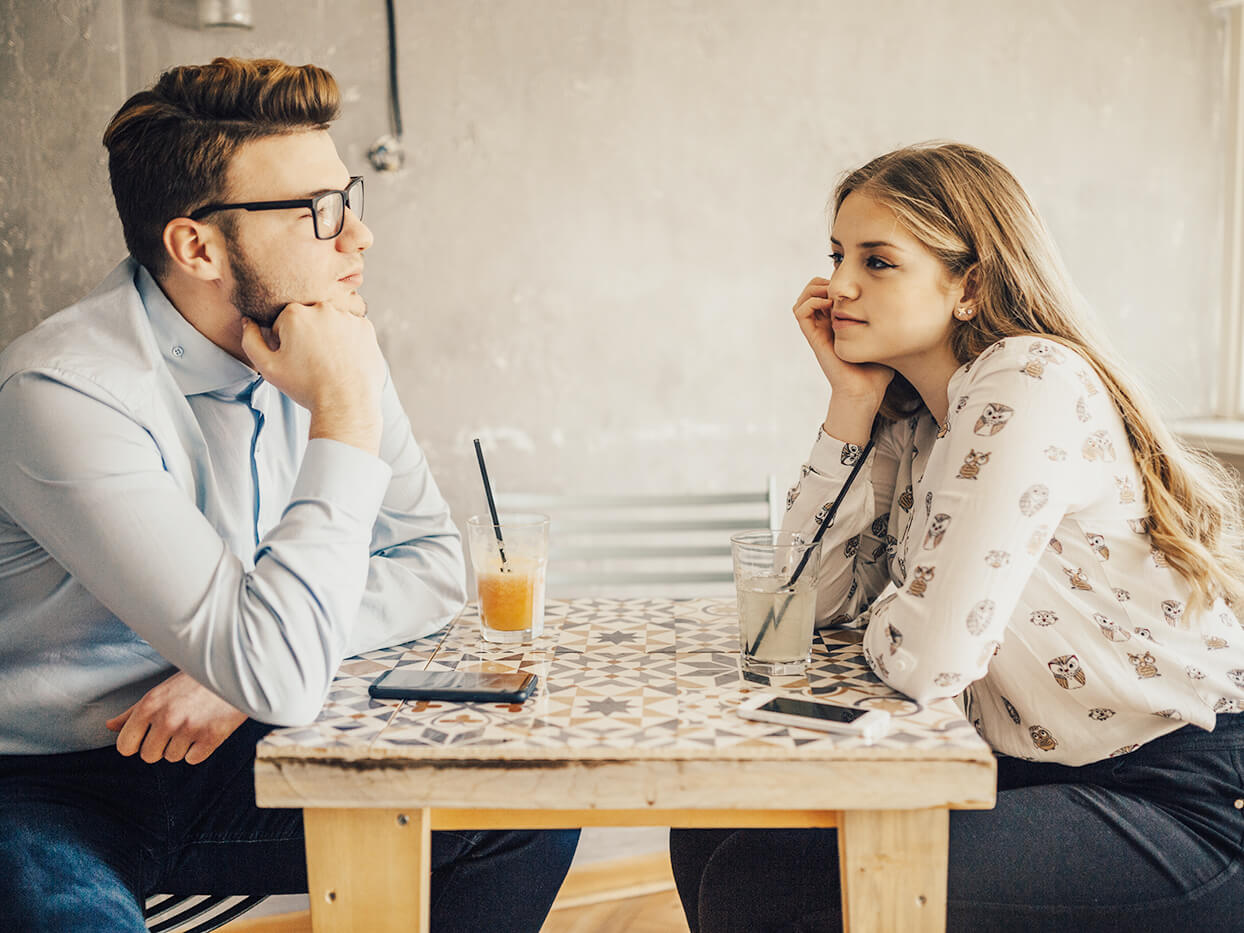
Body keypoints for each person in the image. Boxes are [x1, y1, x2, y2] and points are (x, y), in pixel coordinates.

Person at [0, 57, 578, 932]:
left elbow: (427, 563)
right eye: (320, 211)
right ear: (196, 246)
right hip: (48, 780)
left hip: (236, 745)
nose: (359, 237)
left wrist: (237, 681)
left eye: (347, 197)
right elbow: (276, 662)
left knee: (519, 802)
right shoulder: (65, 393)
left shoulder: (325, 328)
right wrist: (343, 412)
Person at [671, 142, 1244, 931]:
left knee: (794, 892)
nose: (837, 285)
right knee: (720, 832)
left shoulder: (1029, 378)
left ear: (970, 284)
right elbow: (796, 612)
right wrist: (849, 405)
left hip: (1177, 793)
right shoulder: (917, 424)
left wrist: (914, 613)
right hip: (1022, 768)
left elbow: (931, 656)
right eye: (838, 255)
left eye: (877, 261)